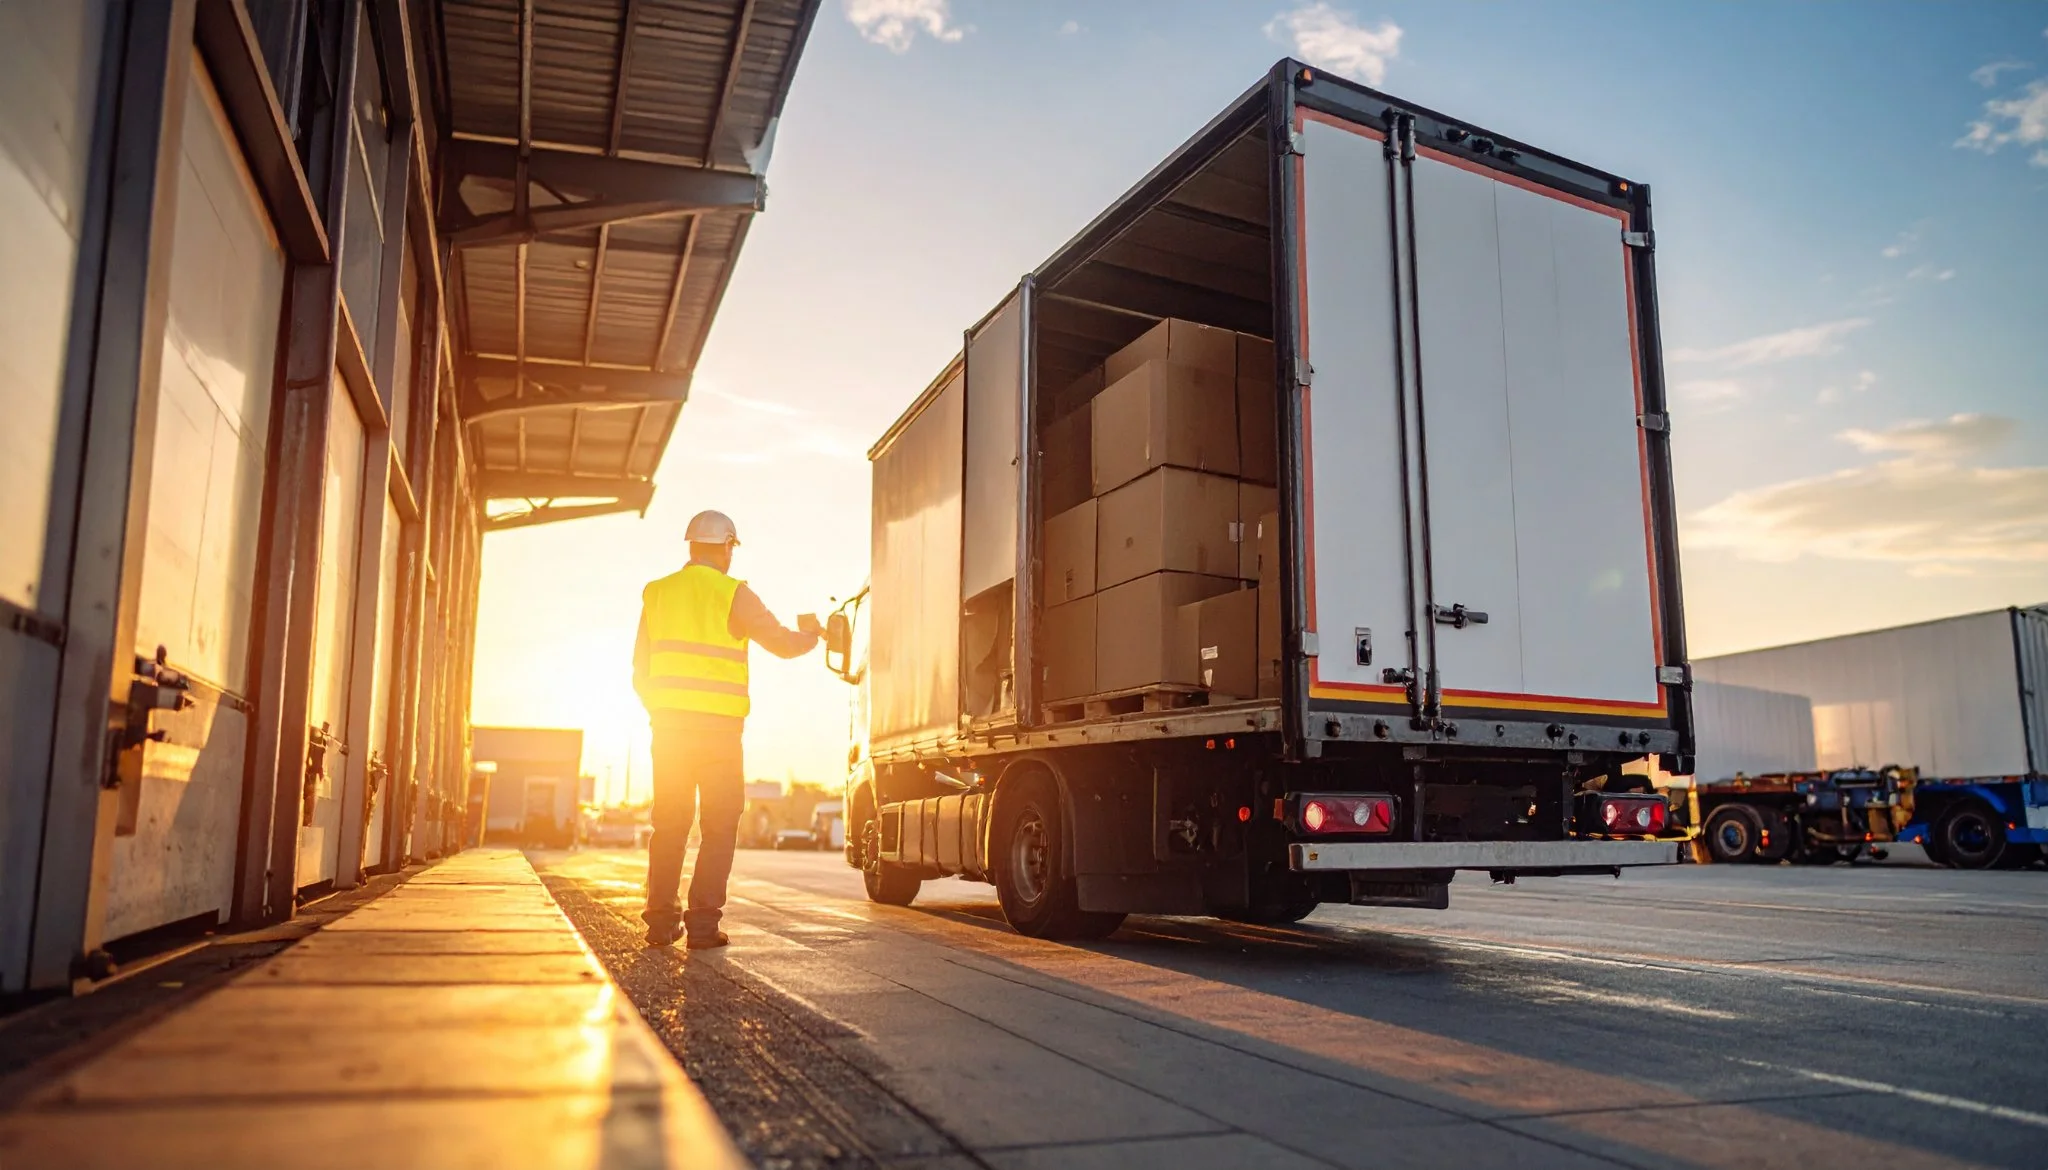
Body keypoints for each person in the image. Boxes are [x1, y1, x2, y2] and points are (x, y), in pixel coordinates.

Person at [633, 510, 822, 949]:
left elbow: (639, 670)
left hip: (670, 731)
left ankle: (660, 923)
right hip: (720, 734)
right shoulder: (735, 594)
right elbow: (783, 643)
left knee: (670, 824)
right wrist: (811, 636)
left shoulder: (657, 593)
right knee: (719, 826)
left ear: (691, 546)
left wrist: (660, 711)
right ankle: (702, 926)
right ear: (726, 548)